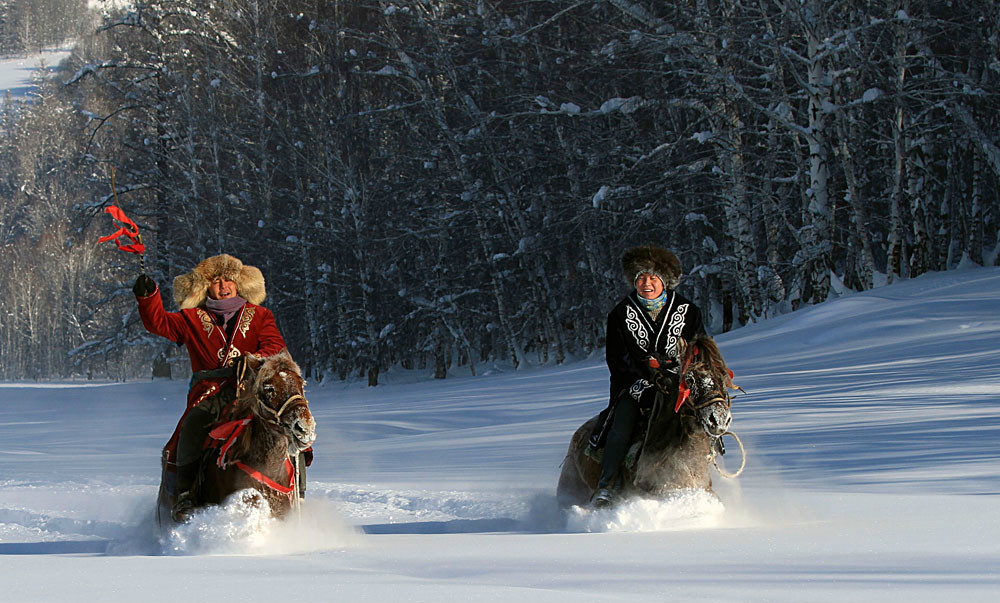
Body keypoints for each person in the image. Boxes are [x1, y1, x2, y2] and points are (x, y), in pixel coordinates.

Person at [133, 253, 290, 522]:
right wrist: (148, 297)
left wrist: (252, 360)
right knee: (193, 425)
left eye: (229, 279)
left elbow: (275, 346)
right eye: (216, 281)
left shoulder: (261, 315)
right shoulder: (191, 318)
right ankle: (185, 495)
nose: (224, 286)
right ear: (207, 287)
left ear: (239, 283)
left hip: (249, 391)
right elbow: (159, 323)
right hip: (210, 392)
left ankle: (294, 494)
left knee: (287, 428)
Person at [588, 245, 706, 508]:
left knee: (705, 420)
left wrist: (688, 376)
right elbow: (617, 359)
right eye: (641, 277)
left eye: (653, 277)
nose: (646, 283)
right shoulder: (620, 315)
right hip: (634, 386)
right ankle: (607, 485)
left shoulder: (689, 312)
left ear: (664, 280)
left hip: (681, 385)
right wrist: (641, 385)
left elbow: (701, 350)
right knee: (622, 426)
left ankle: (708, 473)